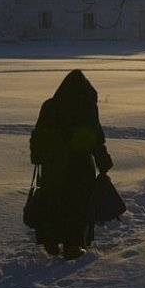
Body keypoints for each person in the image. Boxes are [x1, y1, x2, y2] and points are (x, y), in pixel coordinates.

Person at [29, 69, 113, 259]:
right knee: (77, 206)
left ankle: (50, 240)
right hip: (79, 167)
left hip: (52, 167)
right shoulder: (85, 107)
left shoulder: (49, 106)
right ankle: (72, 246)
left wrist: (38, 157)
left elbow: (37, 135)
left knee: (53, 202)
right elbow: (96, 138)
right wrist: (103, 162)